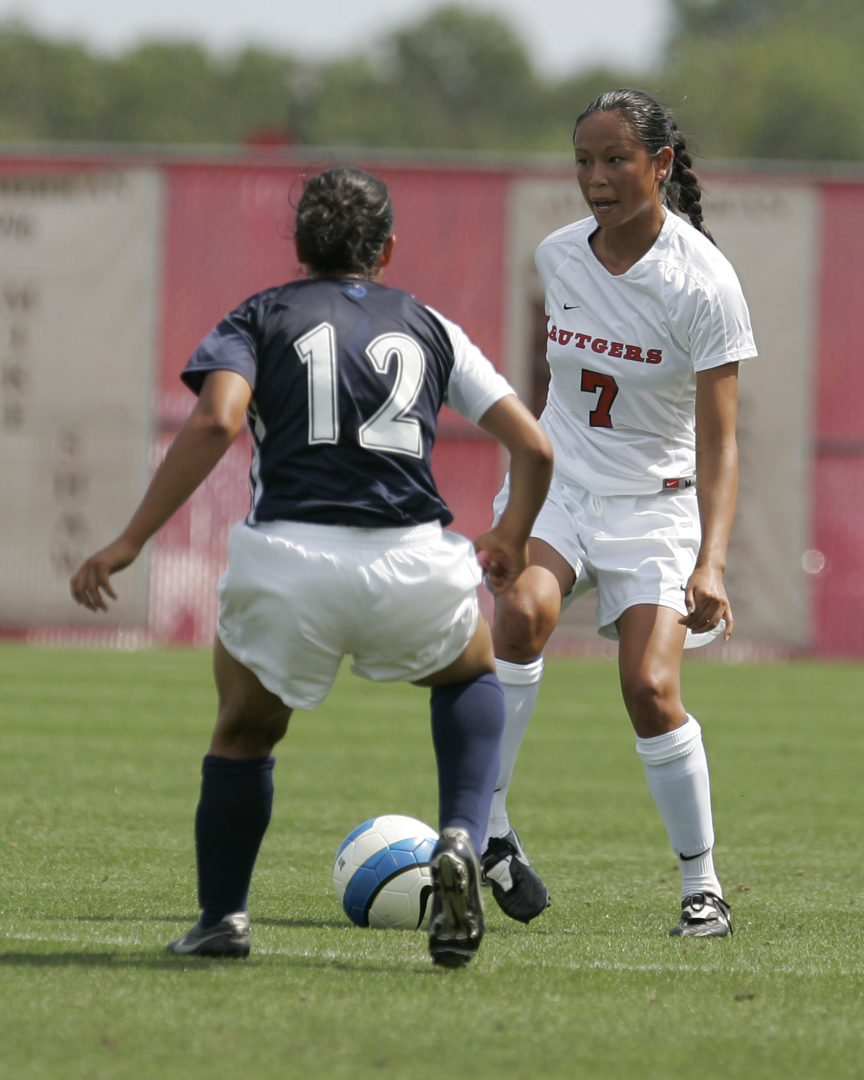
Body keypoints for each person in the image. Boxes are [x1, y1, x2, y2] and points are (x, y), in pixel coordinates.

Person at [70, 166, 553, 969]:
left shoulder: (260, 316)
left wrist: (130, 540)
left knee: (245, 728)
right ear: (388, 248)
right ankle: (464, 837)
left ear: (299, 247)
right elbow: (534, 444)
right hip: (413, 557)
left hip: (291, 558)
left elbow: (219, 419)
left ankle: (223, 917)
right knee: (469, 677)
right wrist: (509, 534)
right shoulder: (428, 323)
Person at [480, 89, 757, 937]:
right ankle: (488, 829)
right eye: (584, 162)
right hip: (562, 488)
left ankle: (702, 889)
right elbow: (556, 393)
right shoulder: (559, 255)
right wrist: (519, 507)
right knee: (521, 616)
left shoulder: (703, 282)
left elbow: (720, 442)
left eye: (616, 161)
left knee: (650, 689)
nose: (595, 179)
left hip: (657, 507)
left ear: (661, 164)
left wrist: (711, 560)